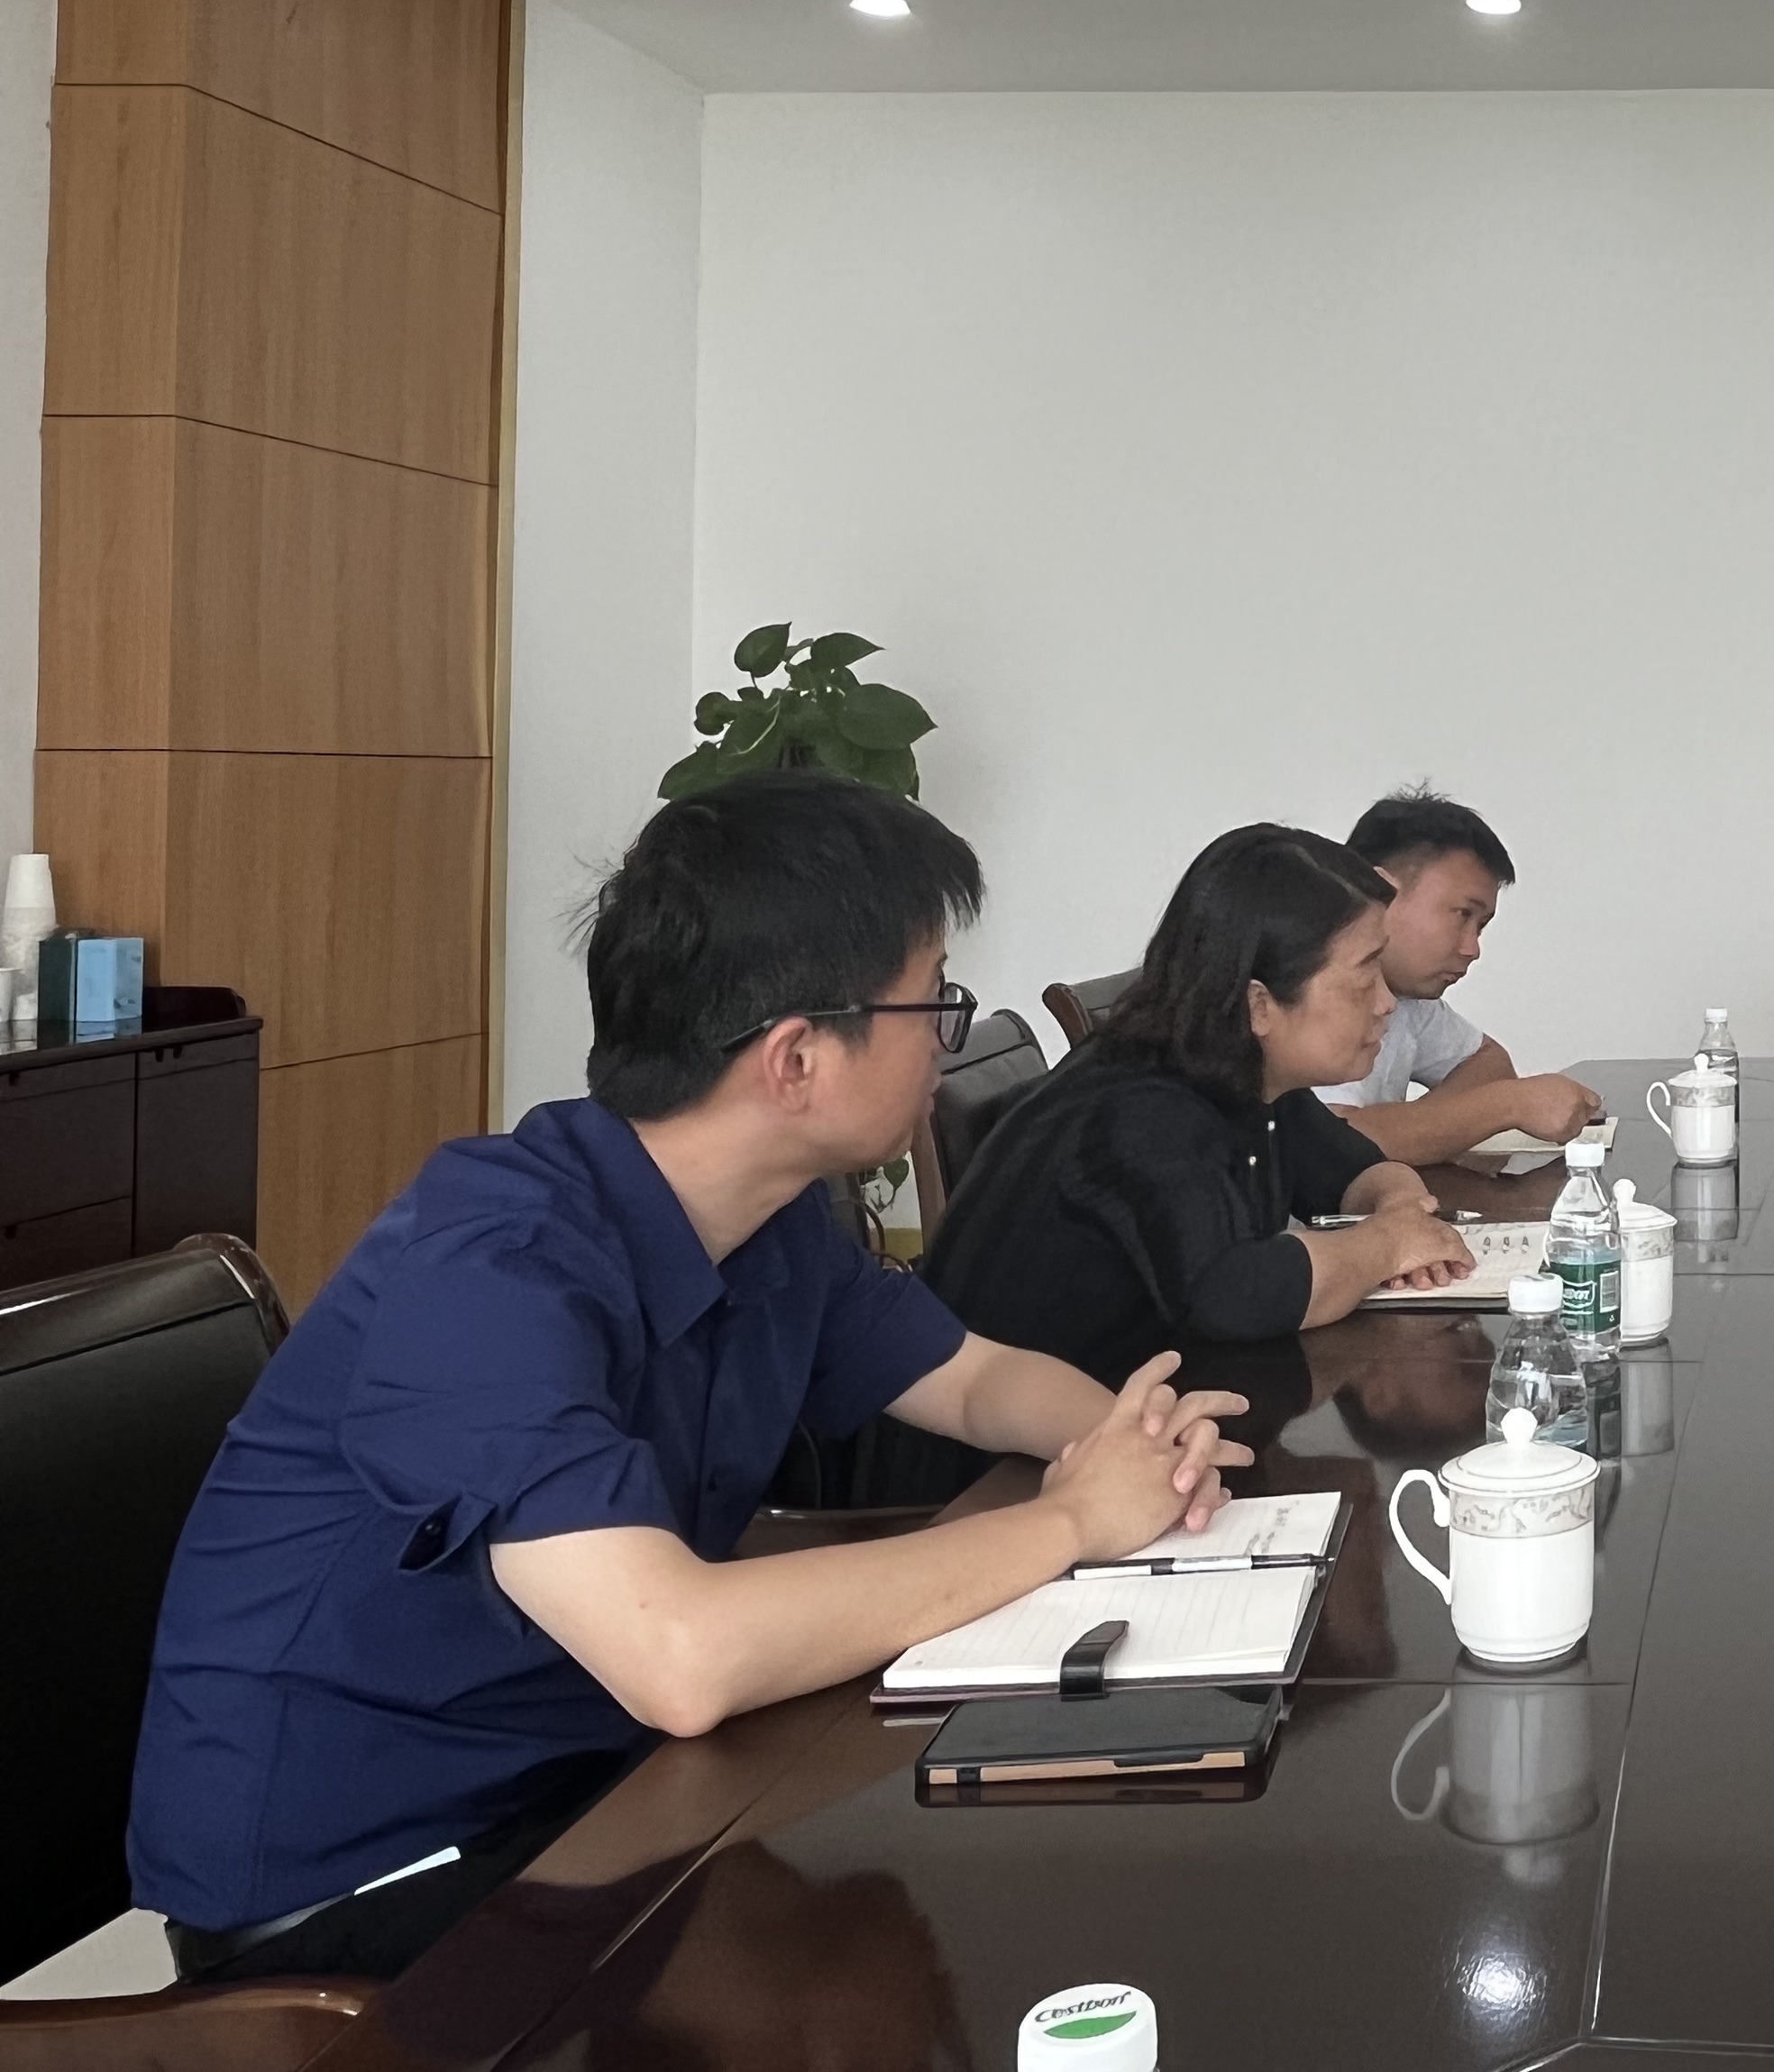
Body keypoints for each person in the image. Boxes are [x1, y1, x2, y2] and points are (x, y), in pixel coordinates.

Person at [128, 772, 1252, 1984]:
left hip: (585, 1792)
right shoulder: (491, 1269)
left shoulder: (770, 1221)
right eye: (933, 999)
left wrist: (1139, 1444)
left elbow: (973, 1380)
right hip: (366, 1894)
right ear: (796, 1058)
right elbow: (680, 1656)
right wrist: (1073, 1520)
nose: (944, 1036)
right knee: (944, 1944)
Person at [919, 826, 1478, 1389]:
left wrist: (1401, 1208)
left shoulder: (1242, 1071)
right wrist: (1385, 1244)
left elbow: (1355, 1168)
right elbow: (1233, 1296)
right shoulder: (1144, 1109)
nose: (1385, 1003)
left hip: (1141, 1403)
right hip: (1025, 1434)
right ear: (1260, 1005)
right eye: (1365, 973)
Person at [1319, 788, 1602, 1165]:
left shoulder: (1409, 998)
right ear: (1379, 891)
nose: (1473, 949)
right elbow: (1331, 1144)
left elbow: (1489, 1063)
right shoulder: (1308, 990)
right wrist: (1508, 1104)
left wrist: (1414, 1131)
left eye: (1481, 926)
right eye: (1463, 915)